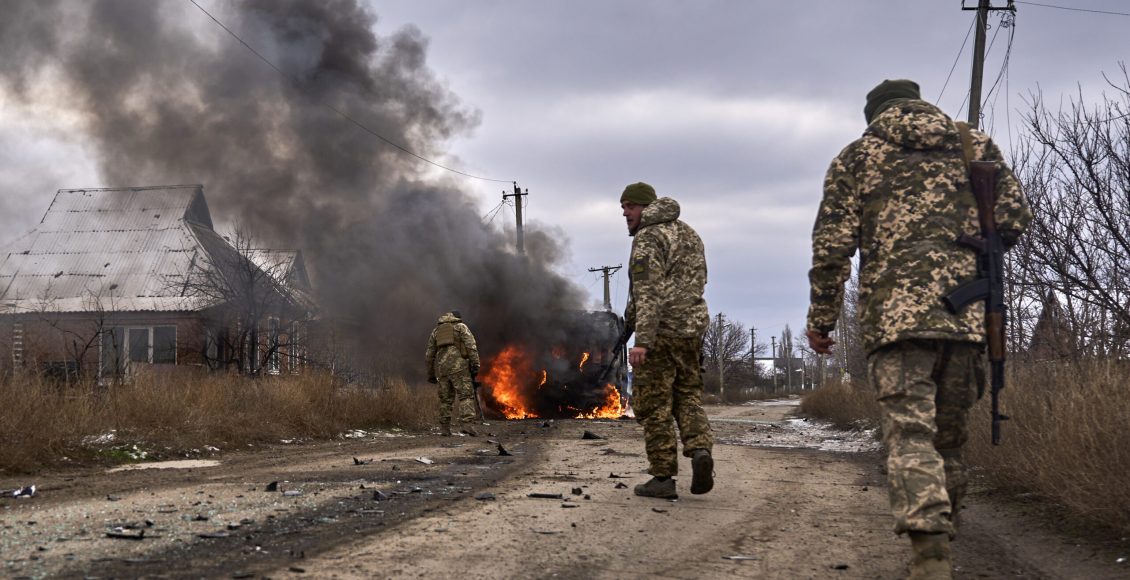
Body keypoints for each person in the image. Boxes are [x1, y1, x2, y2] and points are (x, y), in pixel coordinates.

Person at [806, 79, 1031, 579]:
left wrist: (821, 319)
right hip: (967, 320)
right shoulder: (973, 144)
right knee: (948, 441)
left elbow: (831, 248)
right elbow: (1014, 218)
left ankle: (930, 557)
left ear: (875, 116)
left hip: (895, 323)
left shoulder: (857, 156)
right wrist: (966, 249)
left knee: (910, 436)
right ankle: (947, 533)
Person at [620, 181, 714, 499]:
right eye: (623, 207)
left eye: (630, 206)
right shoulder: (688, 233)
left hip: (660, 333)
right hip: (692, 331)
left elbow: (648, 292)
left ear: (646, 207)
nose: (625, 213)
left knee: (654, 405)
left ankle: (662, 478)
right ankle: (700, 449)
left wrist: (641, 339)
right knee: (687, 396)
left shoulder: (649, 237)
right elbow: (697, 281)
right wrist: (627, 324)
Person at [425, 310, 481, 437]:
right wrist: (475, 365)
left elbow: (429, 355)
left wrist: (431, 374)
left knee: (445, 399)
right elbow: (471, 346)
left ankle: (444, 428)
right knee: (466, 396)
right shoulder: (461, 327)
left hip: (443, 369)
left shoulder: (436, 331)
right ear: (457, 318)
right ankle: (467, 425)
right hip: (459, 367)